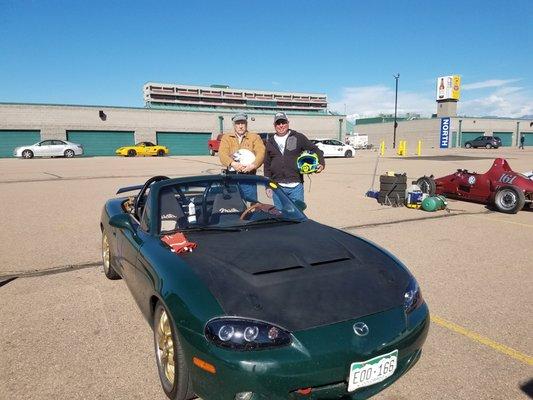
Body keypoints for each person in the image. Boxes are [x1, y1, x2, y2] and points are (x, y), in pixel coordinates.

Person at [263, 112, 324, 204]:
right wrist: (267, 186)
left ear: (288, 122)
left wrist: (321, 164)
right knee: (280, 215)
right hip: (277, 186)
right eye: (278, 123)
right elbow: (267, 165)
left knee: (297, 215)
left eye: (283, 122)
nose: (281, 125)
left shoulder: (298, 137)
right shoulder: (270, 142)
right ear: (274, 125)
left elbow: (315, 149)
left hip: (296, 186)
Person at [218, 113, 265, 202]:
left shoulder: (254, 137)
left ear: (246, 124)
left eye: (242, 123)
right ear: (234, 125)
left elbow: (261, 152)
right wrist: (233, 163)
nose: (240, 126)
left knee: (252, 204)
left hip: (249, 177)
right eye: (238, 123)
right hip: (231, 177)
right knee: (232, 204)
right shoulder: (227, 138)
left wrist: (253, 165)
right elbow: (222, 153)